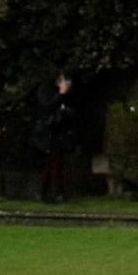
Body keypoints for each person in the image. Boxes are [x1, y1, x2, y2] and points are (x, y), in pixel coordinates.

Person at [36, 71, 80, 203]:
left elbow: (71, 111)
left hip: (60, 133)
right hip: (48, 133)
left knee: (54, 164)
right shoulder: (46, 91)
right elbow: (47, 107)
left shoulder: (67, 95)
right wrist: (60, 94)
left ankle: (47, 192)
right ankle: (54, 192)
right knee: (53, 163)